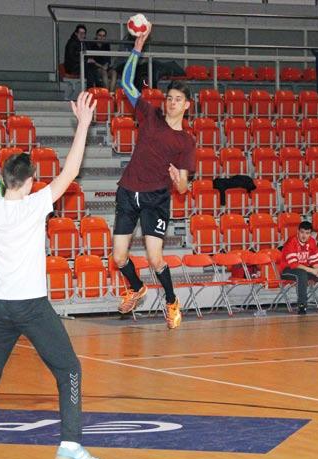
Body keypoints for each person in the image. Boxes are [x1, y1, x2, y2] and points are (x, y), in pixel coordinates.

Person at [0, 82, 103, 459]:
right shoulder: (36, 205)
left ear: (4, 179)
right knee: (68, 368)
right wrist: (82, 123)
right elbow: (71, 170)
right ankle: (69, 443)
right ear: (30, 180)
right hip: (32, 307)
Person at [111, 21, 196, 329]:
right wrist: (137, 47)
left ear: (186, 106)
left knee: (155, 258)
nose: (171, 102)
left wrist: (178, 179)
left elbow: (184, 189)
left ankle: (172, 302)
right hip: (127, 191)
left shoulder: (186, 141)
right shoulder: (149, 114)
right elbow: (126, 84)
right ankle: (136, 288)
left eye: (177, 99)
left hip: (155, 198)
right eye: (169, 97)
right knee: (119, 258)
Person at [279, 221, 318, 315]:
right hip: (288, 270)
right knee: (302, 274)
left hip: (305, 268)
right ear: (298, 232)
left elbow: (314, 260)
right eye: (302, 232)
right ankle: (302, 306)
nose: (304, 235)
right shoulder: (291, 241)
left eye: (307, 233)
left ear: (310, 233)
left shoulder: (312, 241)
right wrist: (313, 271)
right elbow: (294, 264)